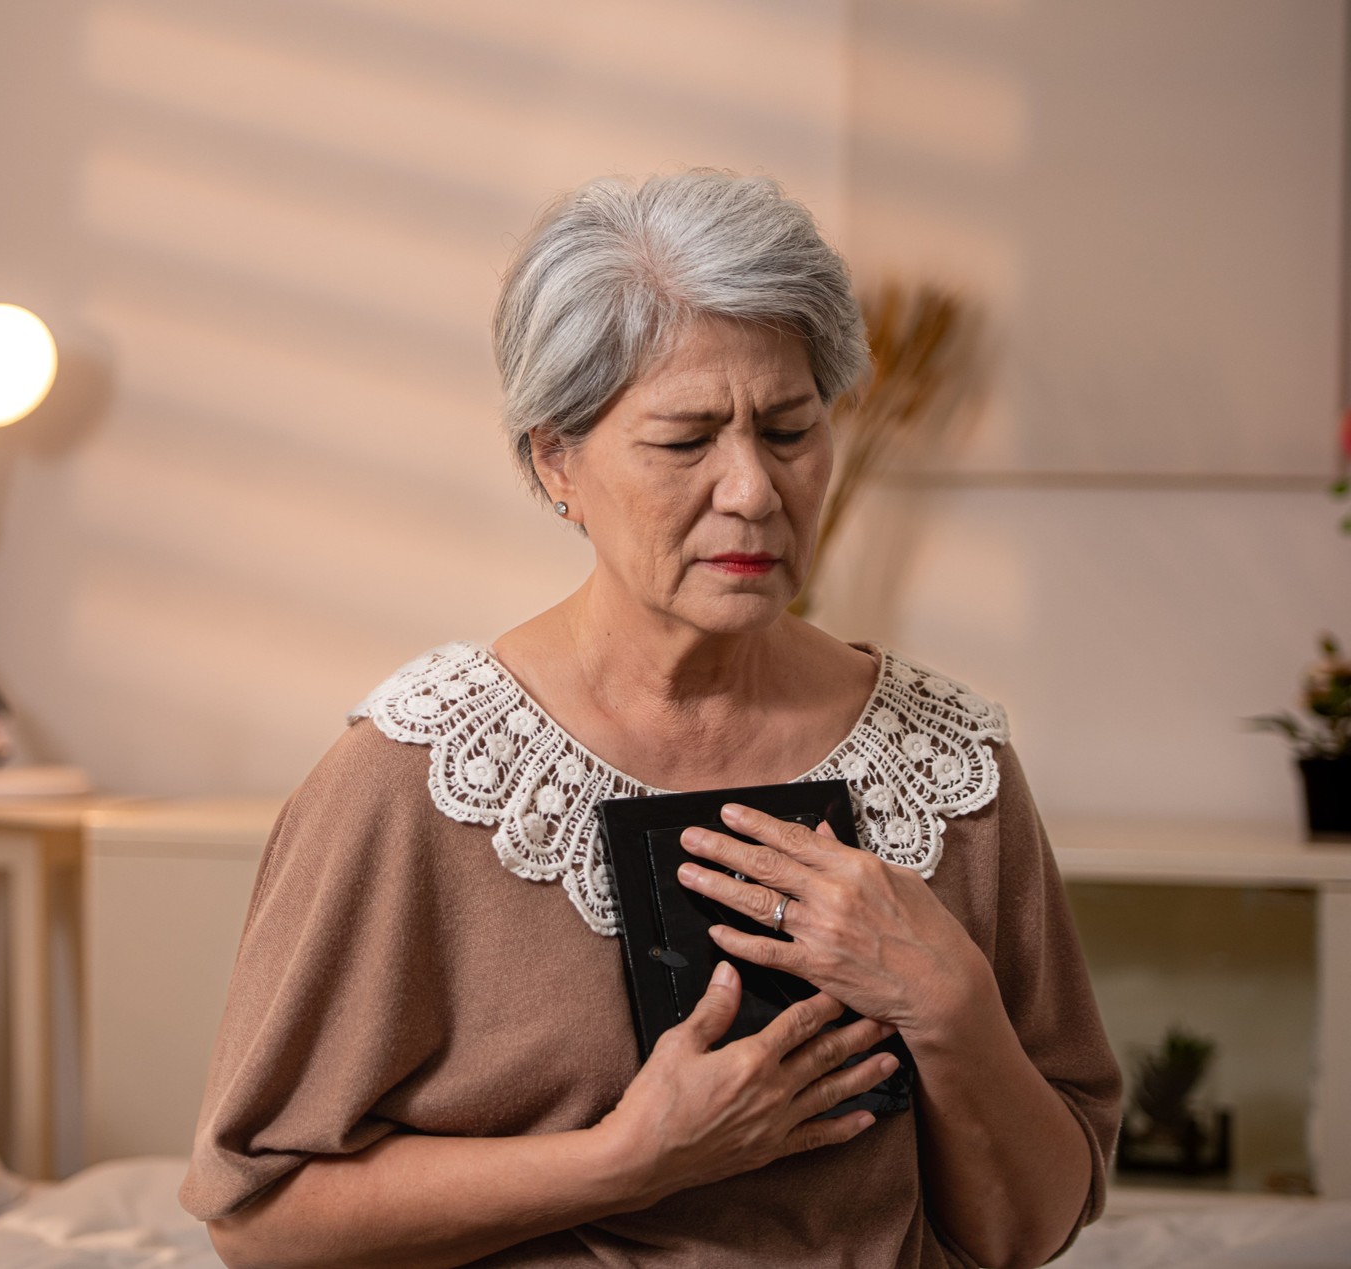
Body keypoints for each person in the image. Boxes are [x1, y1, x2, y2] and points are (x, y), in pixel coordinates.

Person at [179, 169, 1121, 1269]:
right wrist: (630, 1158)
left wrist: (951, 1002)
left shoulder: (951, 766)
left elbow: (1030, 1230)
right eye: (686, 442)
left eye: (789, 430)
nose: (754, 492)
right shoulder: (415, 777)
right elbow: (257, 1221)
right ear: (556, 459)